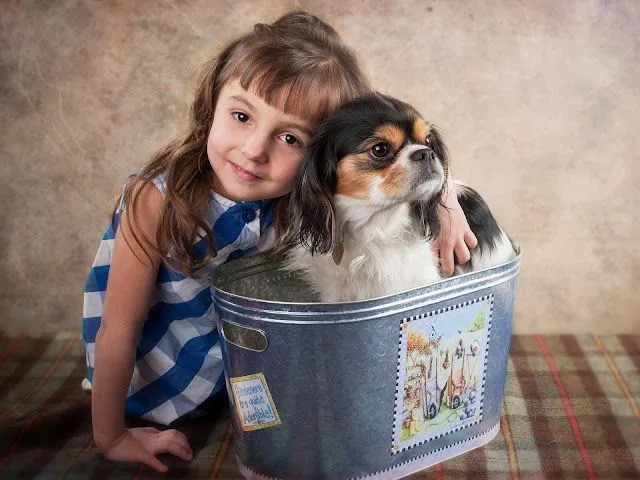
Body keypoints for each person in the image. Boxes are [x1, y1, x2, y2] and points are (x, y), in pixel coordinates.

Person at [81, 10, 476, 473]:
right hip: (158, 378)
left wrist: (445, 197)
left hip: (244, 370)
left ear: (319, 156)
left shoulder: (300, 194)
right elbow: (117, 331)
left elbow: (399, 133)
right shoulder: (157, 200)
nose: (254, 149)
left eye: (290, 137)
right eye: (241, 116)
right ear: (213, 102)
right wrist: (111, 436)